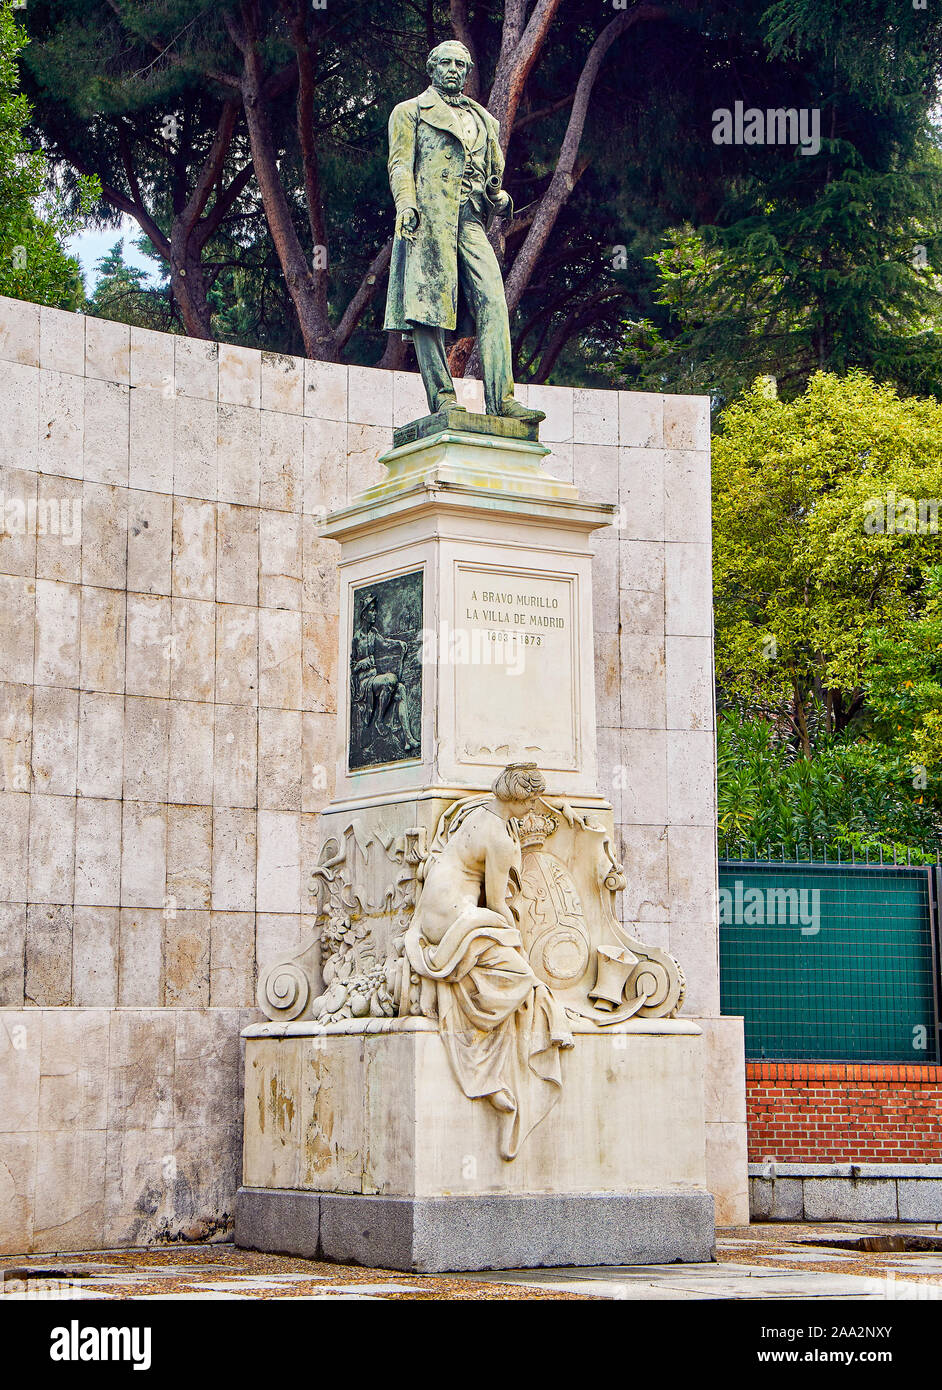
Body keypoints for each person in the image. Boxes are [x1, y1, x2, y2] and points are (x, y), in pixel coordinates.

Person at [404, 763, 572, 1159]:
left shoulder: (480, 811)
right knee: (519, 977)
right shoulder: (498, 835)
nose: (533, 809)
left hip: (433, 913)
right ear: (519, 797)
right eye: (531, 800)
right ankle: (487, 1073)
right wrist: (516, 939)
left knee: (511, 970)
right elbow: (496, 904)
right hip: (454, 918)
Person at [383, 40, 545, 425]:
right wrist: (406, 204)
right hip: (428, 220)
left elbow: (491, 179)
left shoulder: (486, 121)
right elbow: (400, 165)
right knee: (427, 312)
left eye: (461, 64)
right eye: (446, 63)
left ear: (468, 71)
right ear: (432, 68)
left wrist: (499, 198)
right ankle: (442, 399)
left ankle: (502, 400)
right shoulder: (410, 112)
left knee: (493, 301)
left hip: (470, 221)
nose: (454, 69)